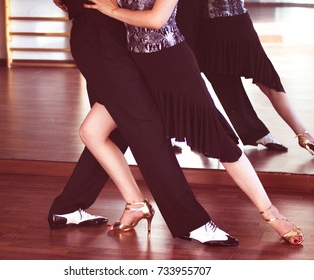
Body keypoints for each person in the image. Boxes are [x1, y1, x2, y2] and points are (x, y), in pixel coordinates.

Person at [84, 0, 304, 245]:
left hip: (172, 65)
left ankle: (271, 213)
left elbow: (156, 19)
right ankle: (136, 204)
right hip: (133, 70)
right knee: (92, 132)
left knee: (221, 143)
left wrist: (112, 11)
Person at [49, 0, 239, 246]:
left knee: (111, 130)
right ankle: (191, 223)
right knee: (145, 128)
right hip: (102, 43)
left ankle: (69, 207)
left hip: (108, 38)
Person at [176, 0, 314, 155]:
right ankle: (303, 135)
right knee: (266, 78)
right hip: (236, 23)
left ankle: (207, 136)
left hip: (210, 27)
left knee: (219, 81)